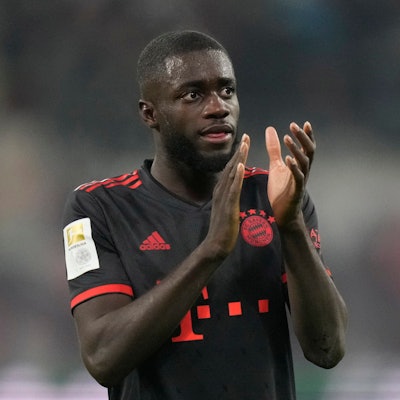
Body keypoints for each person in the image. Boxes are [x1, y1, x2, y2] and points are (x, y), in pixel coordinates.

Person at [62, 30, 348, 400]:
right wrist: (211, 251)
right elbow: (103, 358)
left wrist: (291, 225)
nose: (218, 107)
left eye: (227, 90)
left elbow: (327, 349)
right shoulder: (99, 207)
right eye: (193, 95)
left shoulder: (276, 197)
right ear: (150, 113)